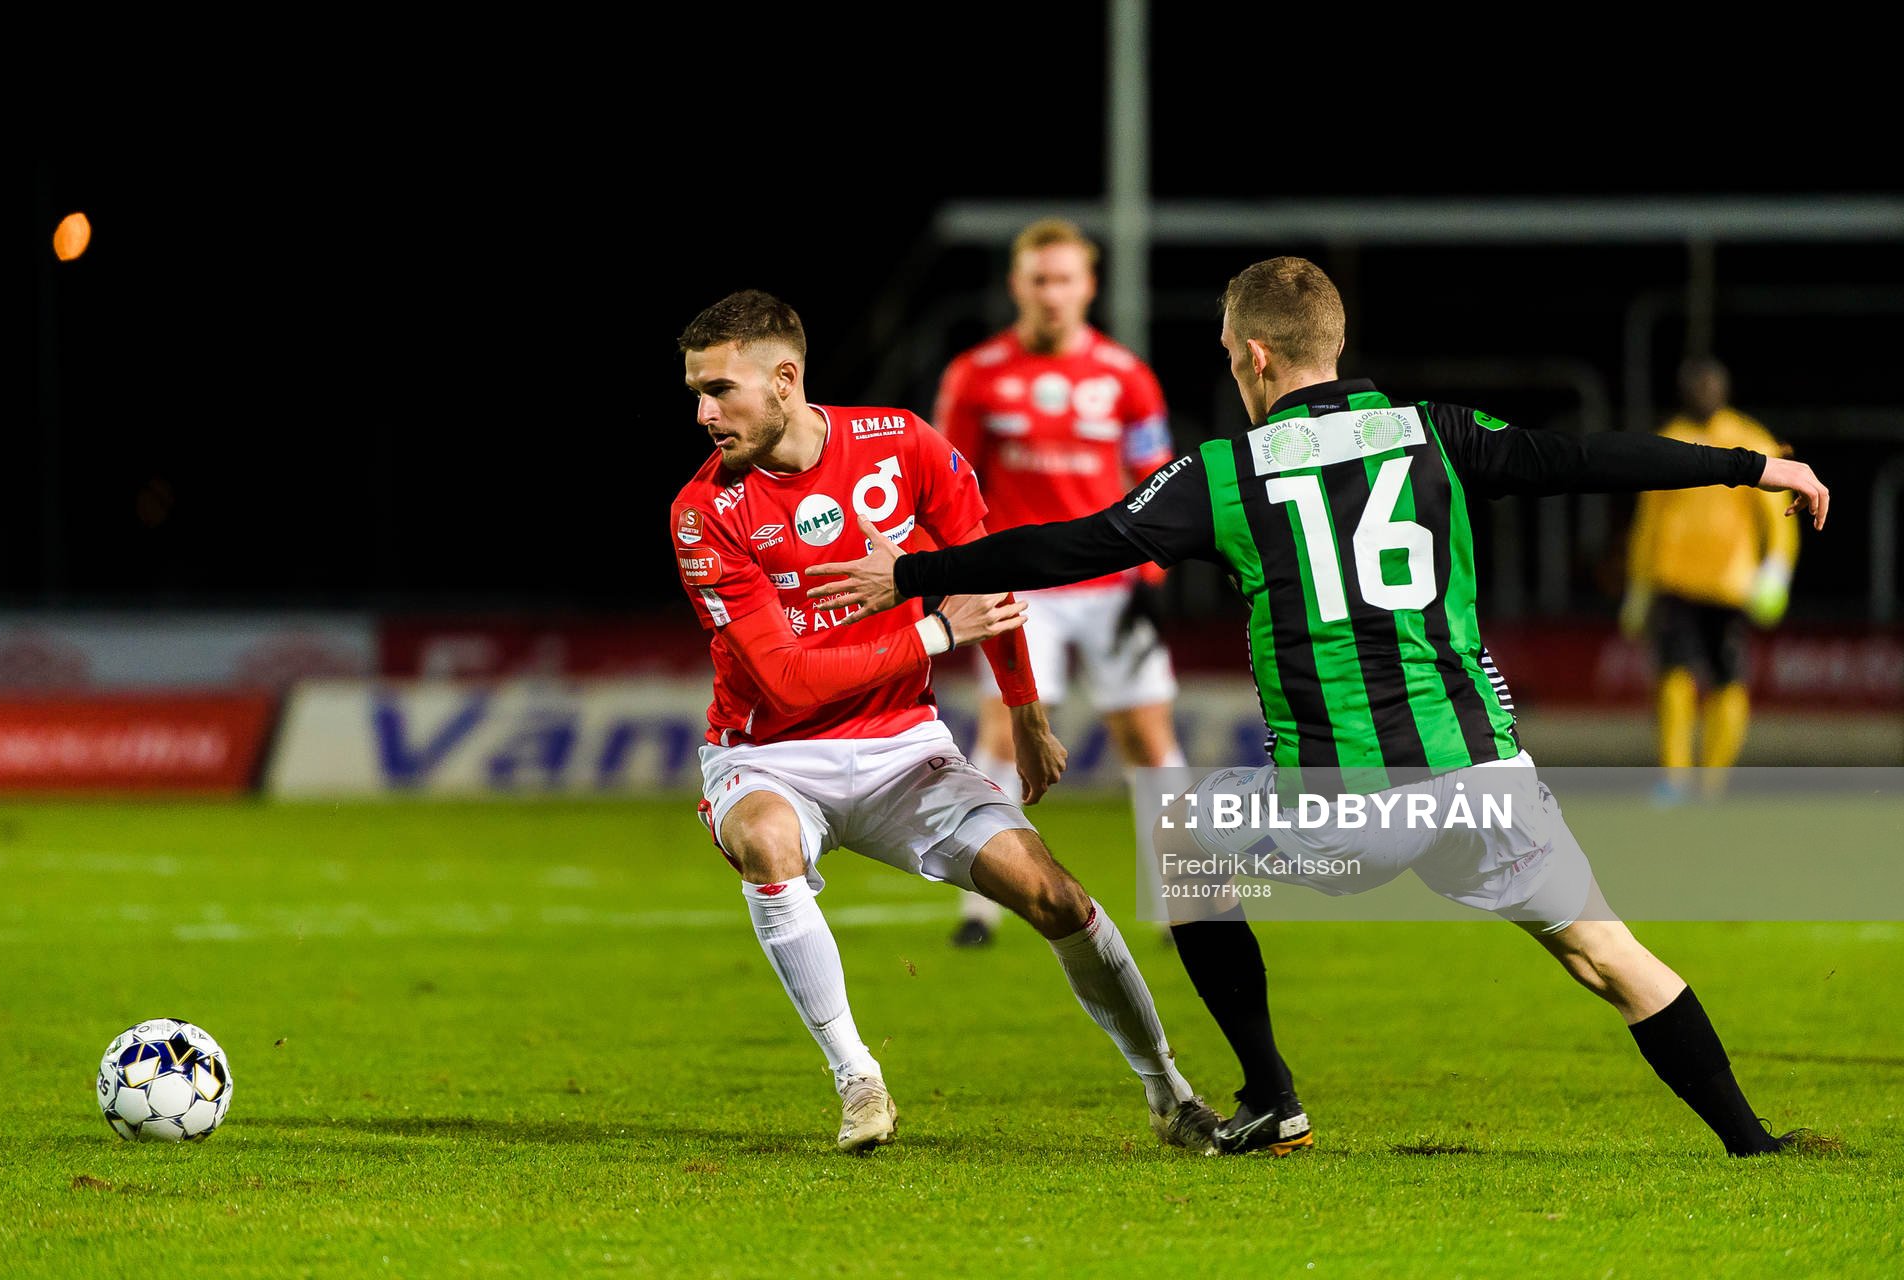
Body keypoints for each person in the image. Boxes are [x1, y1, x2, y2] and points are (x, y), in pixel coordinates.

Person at [807, 257, 1831, 1159]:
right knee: (1608, 952)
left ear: (1255, 355)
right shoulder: (1439, 433)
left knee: (1184, 837)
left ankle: (1271, 1095)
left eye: (1226, 352)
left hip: (1348, 796)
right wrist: (1753, 466)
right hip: (1483, 773)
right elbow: (1588, 458)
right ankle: (1754, 1140)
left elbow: (1072, 543)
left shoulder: (1227, 472)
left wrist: (916, 570)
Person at [668, 289, 1221, 1155]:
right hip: (770, 756)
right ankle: (858, 1080)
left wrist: (1028, 716)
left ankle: (1170, 1092)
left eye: (719, 391)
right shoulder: (705, 511)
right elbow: (784, 682)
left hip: (903, 749)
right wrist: (933, 628)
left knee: (1057, 896)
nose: (703, 413)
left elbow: (988, 577)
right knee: (769, 841)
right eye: (696, 393)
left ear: (785, 379)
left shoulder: (899, 444)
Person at [932, 219, 1188, 946]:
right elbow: (950, 487)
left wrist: (1152, 574)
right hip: (1021, 588)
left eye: (1065, 279)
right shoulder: (976, 374)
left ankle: (1181, 901)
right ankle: (981, 907)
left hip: (1111, 583)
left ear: (1089, 286)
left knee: (1147, 735)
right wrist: (964, 576)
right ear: (1017, 286)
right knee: (1004, 732)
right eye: (1039, 279)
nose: (1052, 294)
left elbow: (1157, 478)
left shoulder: (1124, 374)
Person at [1621, 357, 1798, 799]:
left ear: (1725, 388)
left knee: (1727, 680)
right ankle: (1675, 779)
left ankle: (1714, 782)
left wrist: (1775, 571)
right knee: (1673, 676)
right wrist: (1638, 584)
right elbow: (1649, 518)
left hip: (1729, 584)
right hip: (1674, 580)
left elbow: (1778, 518)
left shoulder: (1749, 439)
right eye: (1695, 385)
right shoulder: (1669, 439)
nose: (1703, 392)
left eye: (1710, 385)